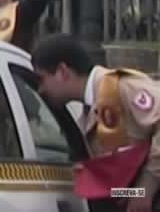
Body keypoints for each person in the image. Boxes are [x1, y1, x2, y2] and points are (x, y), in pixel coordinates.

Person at [32, 34, 160, 212]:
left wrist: (147, 188)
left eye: (42, 79)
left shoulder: (120, 86)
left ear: (62, 72)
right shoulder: (88, 111)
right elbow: (124, 189)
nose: (41, 89)